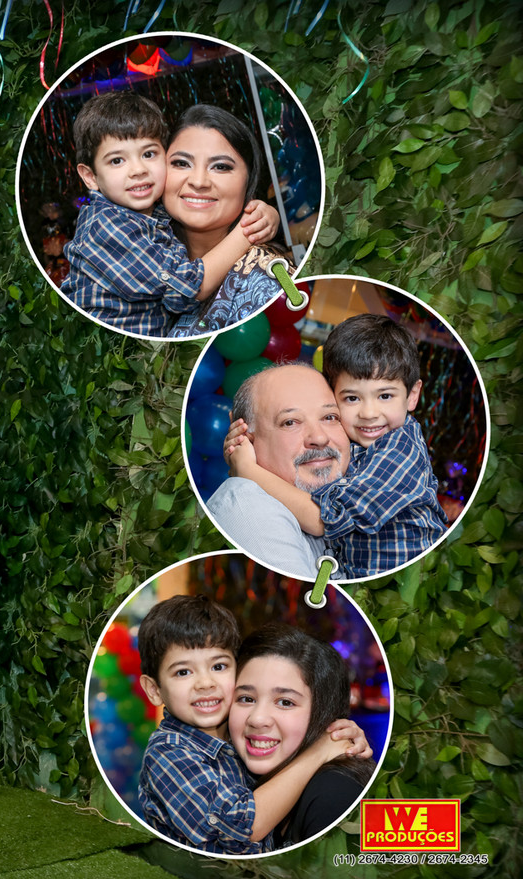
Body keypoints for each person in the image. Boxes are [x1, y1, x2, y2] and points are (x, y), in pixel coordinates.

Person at [135, 595, 367, 854]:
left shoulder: (333, 792)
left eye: (219, 666)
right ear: (154, 690)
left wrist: (339, 739)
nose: (205, 683)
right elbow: (240, 826)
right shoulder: (169, 751)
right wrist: (319, 752)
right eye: (183, 672)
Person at [226, 314, 447, 578]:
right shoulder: (247, 507)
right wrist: (243, 458)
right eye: (352, 398)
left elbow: (322, 518)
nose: (369, 413)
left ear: (412, 396)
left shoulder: (399, 449)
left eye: (385, 396)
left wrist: (248, 470)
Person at [60, 94, 278, 337]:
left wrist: (264, 215)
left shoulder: (270, 276)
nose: (138, 170)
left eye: (149, 154)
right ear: (90, 177)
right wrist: (247, 231)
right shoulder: (108, 226)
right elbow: (189, 287)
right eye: (182, 163)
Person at [231, 623, 378, 847]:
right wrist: (318, 752)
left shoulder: (335, 793)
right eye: (246, 699)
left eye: (285, 702)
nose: (257, 719)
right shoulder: (220, 773)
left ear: (323, 712)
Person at [206, 362, 352, 580]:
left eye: (330, 417)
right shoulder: (246, 505)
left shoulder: (367, 475)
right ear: (244, 437)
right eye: (290, 422)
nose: (319, 438)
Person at [164, 104, 294, 338]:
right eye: (181, 163)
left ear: (249, 181)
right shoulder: (136, 244)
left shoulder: (268, 278)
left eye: (221, 167)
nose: (199, 181)